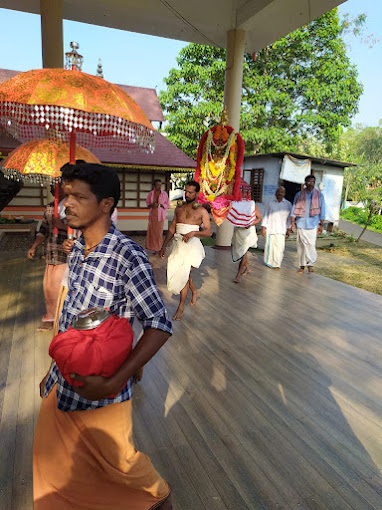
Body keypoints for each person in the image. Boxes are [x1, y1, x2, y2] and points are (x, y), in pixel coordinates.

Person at [34, 162, 173, 510]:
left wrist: (114, 383)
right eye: (67, 196)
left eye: (80, 197)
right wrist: (52, 372)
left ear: (107, 204)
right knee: (54, 472)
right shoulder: (78, 250)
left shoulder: (129, 256)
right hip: (63, 385)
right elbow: (72, 318)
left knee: (127, 474)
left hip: (102, 393)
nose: (68, 204)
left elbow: (159, 323)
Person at [160, 181, 212, 321]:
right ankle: (195, 291)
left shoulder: (201, 211)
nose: (187, 194)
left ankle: (180, 308)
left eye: (190, 192)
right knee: (179, 272)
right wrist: (164, 245)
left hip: (192, 247)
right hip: (178, 244)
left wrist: (194, 233)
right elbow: (172, 228)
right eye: (186, 191)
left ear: (197, 194)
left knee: (183, 274)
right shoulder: (179, 209)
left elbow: (208, 232)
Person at [27, 183, 68, 331]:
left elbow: (80, 229)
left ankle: (62, 319)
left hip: (65, 254)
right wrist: (34, 246)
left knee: (60, 288)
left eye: (55, 187)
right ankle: (50, 318)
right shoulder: (50, 207)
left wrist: (62, 226)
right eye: (51, 187)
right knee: (48, 288)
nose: (52, 190)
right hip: (51, 253)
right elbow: (43, 229)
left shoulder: (72, 206)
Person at [291, 174, 326, 274]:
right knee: (301, 246)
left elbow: (323, 210)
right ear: (305, 182)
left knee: (311, 245)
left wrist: (321, 224)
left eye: (313, 182)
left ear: (315, 183)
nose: (310, 183)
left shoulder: (319, 195)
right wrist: (292, 222)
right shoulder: (299, 195)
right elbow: (294, 208)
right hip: (301, 223)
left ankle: (310, 264)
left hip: (313, 224)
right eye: (309, 181)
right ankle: (302, 266)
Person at [261, 186, 292, 270]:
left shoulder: (288, 204)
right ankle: (269, 262)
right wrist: (264, 227)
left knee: (280, 248)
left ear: (284, 194)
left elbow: (289, 218)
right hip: (271, 229)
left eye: (282, 192)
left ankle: (277, 264)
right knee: (270, 247)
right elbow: (266, 215)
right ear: (275, 193)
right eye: (278, 192)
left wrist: (288, 229)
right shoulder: (270, 203)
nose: (279, 193)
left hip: (282, 230)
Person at [231, 200, 262, 283]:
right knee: (242, 252)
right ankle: (247, 268)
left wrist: (250, 224)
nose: (243, 194)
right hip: (239, 231)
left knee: (244, 253)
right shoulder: (236, 204)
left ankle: (238, 275)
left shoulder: (252, 204)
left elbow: (259, 218)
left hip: (248, 232)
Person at [145, 179, 170, 254]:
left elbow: (167, 205)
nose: (159, 187)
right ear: (154, 185)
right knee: (152, 233)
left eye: (160, 185)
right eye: (157, 185)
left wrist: (161, 205)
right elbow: (148, 204)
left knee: (158, 233)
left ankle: (159, 248)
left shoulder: (164, 194)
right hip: (153, 214)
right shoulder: (151, 194)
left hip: (160, 216)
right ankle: (153, 249)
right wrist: (152, 205)